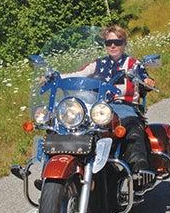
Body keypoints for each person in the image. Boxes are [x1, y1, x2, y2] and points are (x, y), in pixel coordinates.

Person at [60, 25, 156, 184]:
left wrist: (147, 81)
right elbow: (77, 75)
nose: (112, 46)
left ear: (124, 43)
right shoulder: (98, 64)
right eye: (109, 42)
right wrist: (55, 77)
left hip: (124, 107)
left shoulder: (133, 63)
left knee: (132, 128)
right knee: (70, 127)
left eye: (117, 42)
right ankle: (60, 174)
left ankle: (139, 170)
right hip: (98, 108)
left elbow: (143, 76)